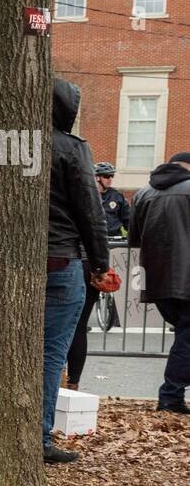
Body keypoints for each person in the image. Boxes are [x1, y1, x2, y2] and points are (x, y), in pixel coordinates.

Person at [43, 79, 110, 463]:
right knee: (51, 354)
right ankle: (39, 439)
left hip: (18, 263)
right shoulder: (72, 148)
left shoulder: (8, 142)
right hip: (61, 260)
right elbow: (90, 210)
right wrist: (100, 264)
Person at [130, 152, 190, 414]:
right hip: (186, 278)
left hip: (157, 279)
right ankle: (170, 395)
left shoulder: (143, 193)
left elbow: (134, 237)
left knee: (185, 337)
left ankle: (172, 394)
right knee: (186, 340)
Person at [66, 162, 125, 390]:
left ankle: (62, 382)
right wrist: (100, 266)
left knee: (60, 327)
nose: (108, 179)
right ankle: (72, 384)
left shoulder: (62, 195)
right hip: (83, 261)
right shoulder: (91, 200)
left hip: (63, 260)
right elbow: (97, 231)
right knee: (78, 325)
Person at [95, 162, 130, 238]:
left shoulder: (117, 196)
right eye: (106, 176)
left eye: (112, 176)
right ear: (97, 178)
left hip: (114, 240)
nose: (110, 179)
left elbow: (127, 219)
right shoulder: (88, 196)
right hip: (93, 240)